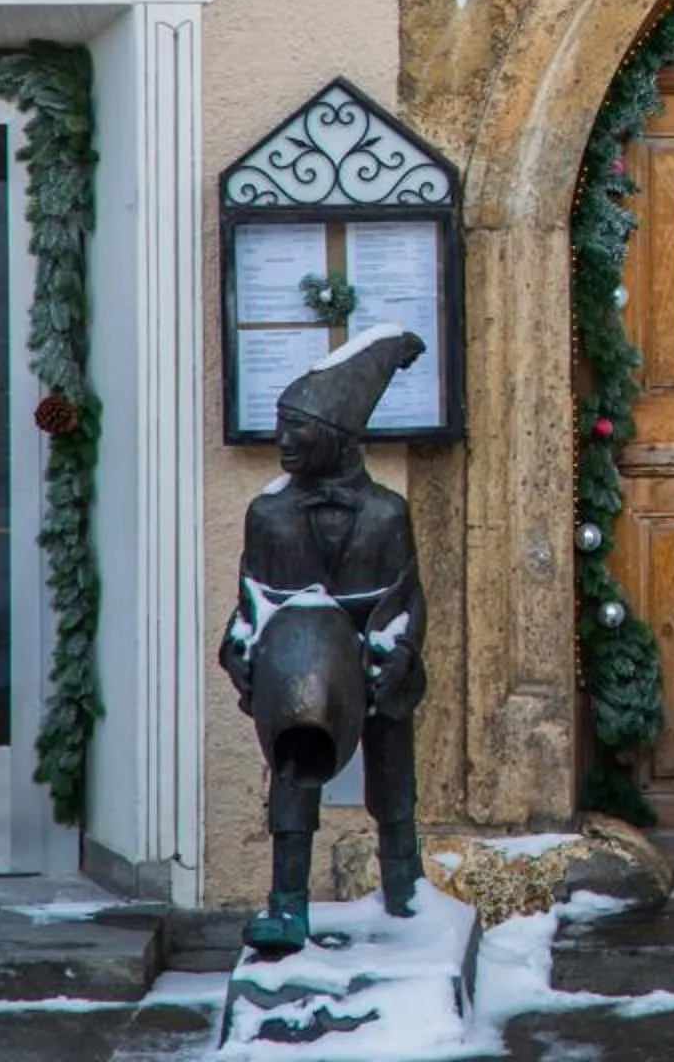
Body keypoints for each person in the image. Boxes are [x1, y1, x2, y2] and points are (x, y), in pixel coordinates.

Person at [217, 329, 429, 955]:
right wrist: (240, 644)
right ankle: (287, 902)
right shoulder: (269, 516)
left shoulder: (387, 514)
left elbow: (408, 599)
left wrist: (401, 650)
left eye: (297, 429)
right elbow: (251, 599)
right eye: (282, 425)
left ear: (335, 438)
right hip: (300, 671)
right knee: (294, 758)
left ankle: (404, 882)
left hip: (371, 659)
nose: (283, 441)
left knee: (391, 763)